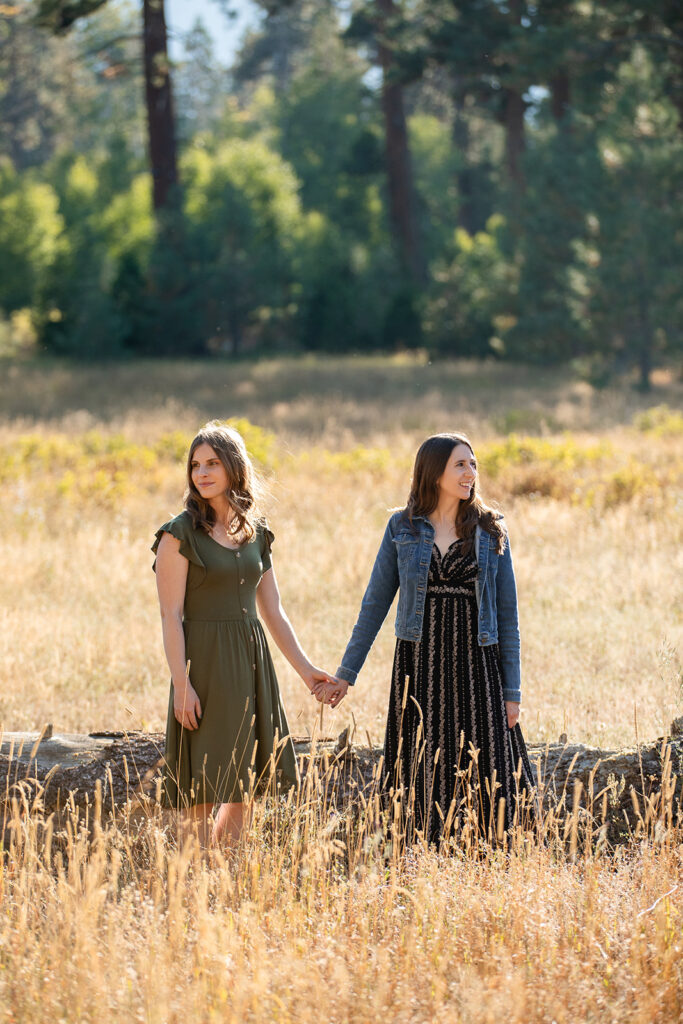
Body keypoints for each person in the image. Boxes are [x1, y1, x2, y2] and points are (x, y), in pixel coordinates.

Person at [325, 432, 537, 845]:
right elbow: (374, 606)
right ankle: (421, 857)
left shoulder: (491, 529)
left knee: (487, 768)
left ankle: (486, 857)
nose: (470, 473)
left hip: (479, 667)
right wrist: (345, 674)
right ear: (434, 471)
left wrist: (512, 691)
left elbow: (509, 616)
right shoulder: (402, 528)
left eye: (473, 464)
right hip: (420, 666)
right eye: (460, 464)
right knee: (420, 766)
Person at [152, 421, 333, 848]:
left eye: (212, 463)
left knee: (246, 785)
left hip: (252, 665)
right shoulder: (177, 535)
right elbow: (169, 614)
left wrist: (307, 672)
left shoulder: (256, 532)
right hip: (202, 666)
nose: (202, 473)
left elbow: (273, 609)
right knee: (199, 788)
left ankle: (219, 874)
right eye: (195, 465)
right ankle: (190, 882)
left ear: (234, 467)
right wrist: (182, 684)